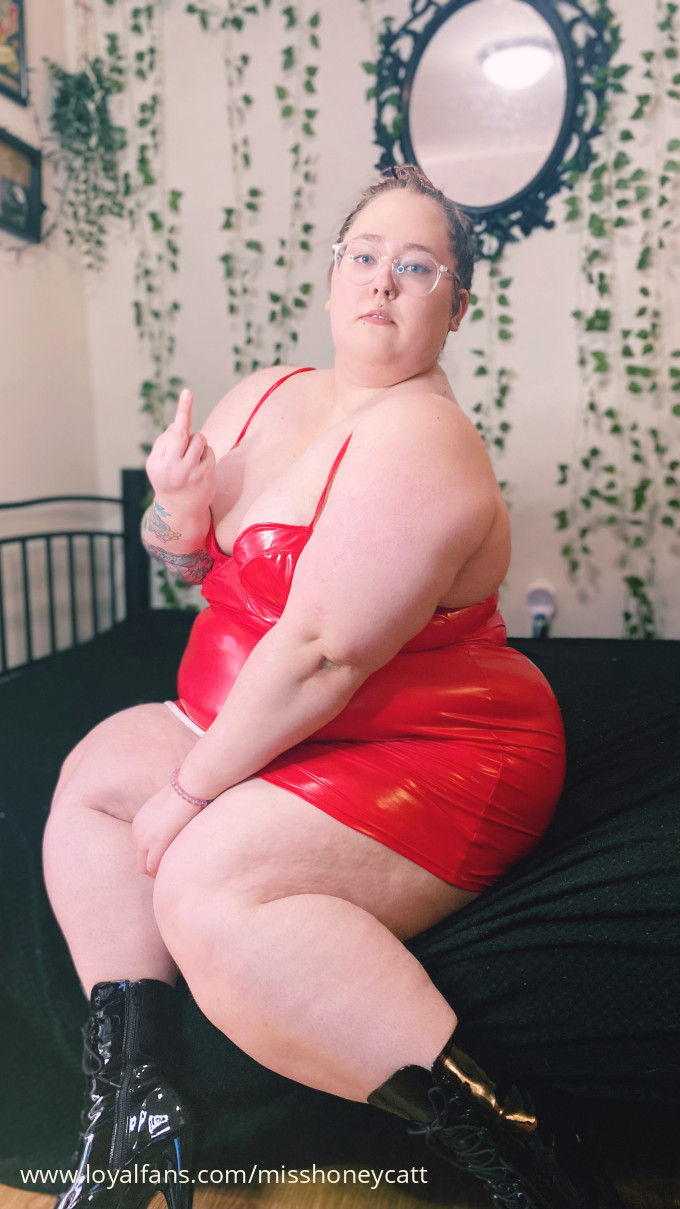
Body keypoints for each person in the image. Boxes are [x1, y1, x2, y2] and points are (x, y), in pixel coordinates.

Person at [43, 166, 576, 1209]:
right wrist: (176, 506)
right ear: (333, 278)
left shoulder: (423, 439)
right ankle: (135, 1106)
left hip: (429, 747)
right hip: (285, 725)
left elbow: (323, 654)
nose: (381, 281)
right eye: (364, 256)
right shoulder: (265, 395)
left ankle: (526, 1149)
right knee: (94, 778)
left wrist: (190, 790)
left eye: (416, 268)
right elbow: (187, 568)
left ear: (456, 308)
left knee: (204, 887)